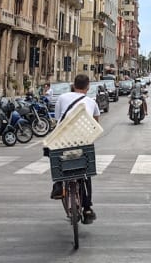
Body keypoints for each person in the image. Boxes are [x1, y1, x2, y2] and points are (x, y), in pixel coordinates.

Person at [50, 73, 100, 222]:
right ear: (88, 87)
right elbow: (96, 122)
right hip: (81, 141)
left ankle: (58, 184)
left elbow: (57, 117)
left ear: (73, 85)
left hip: (62, 140)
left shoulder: (62, 98)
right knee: (86, 171)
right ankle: (87, 208)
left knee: (54, 155)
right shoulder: (91, 102)